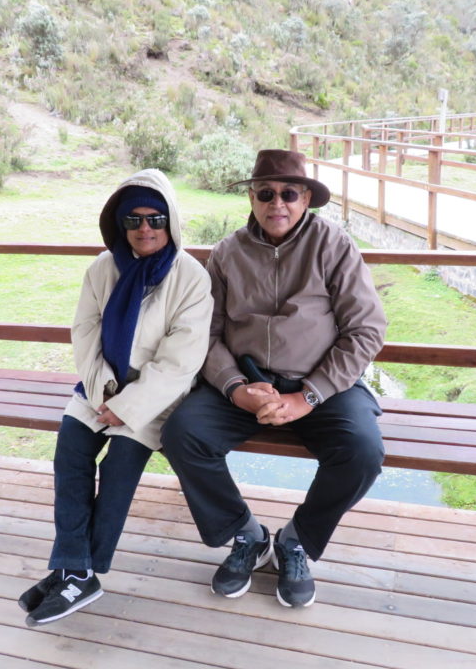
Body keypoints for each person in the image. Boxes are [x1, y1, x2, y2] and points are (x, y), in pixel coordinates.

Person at [161, 149, 387, 608]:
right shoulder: (227, 253)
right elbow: (207, 333)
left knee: (362, 451)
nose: (276, 203)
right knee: (182, 434)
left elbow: (366, 329)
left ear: (306, 199)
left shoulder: (334, 245)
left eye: (289, 193)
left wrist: (309, 395)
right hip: (246, 384)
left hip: (322, 384)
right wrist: (235, 388)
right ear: (252, 196)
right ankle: (246, 535)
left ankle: (296, 540)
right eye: (266, 193)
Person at [19, 168, 212, 625]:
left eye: (155, 218)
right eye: (133, 220)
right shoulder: (102, 269)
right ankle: (74, 566)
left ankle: (80, 571)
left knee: (119, 467)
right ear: (119, 224)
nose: (145, 228)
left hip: (156, 398)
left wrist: (126, 406)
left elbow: (180, 362)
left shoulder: (191, 278)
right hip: (100, 384)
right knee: (70, 453)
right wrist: (105, 391)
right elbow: (85, 333)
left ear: (171, 221)